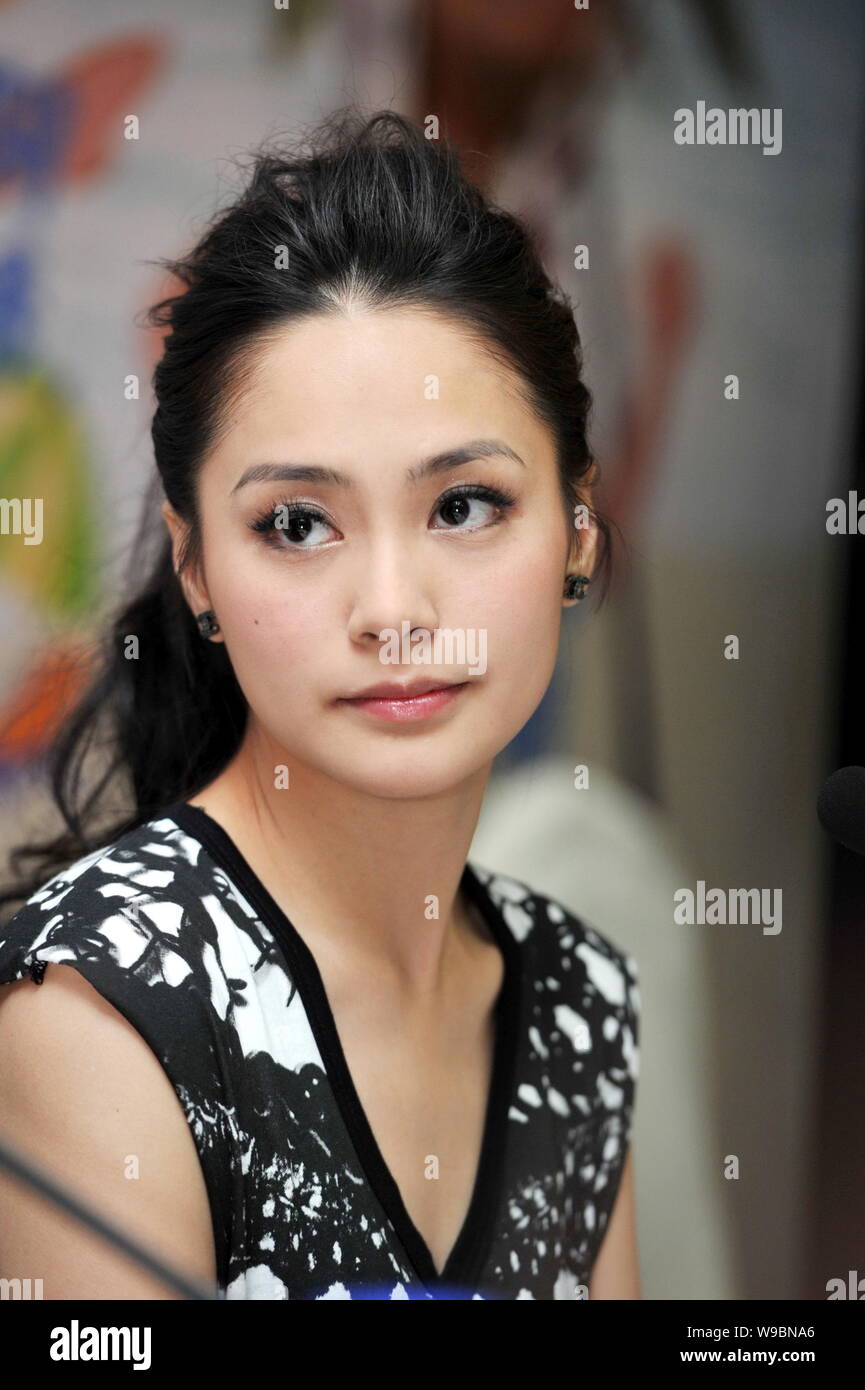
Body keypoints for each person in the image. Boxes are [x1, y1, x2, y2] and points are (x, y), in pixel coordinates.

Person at [0, 109, 640, 1301]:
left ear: (578, 524)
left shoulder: (578, 1001)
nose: (393, 609)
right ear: (196, 569)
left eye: (464, 504)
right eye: (297, 523)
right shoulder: (103, 1015)